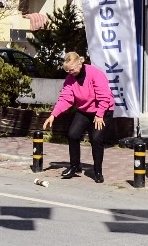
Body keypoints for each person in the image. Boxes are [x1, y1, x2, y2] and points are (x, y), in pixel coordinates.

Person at [43, 52, 115, 183]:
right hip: (84, 110)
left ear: (79, 63)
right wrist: (53, 115)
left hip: (103, 110)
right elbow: (65, 98)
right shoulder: (70, 79)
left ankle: (97, 171)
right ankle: (75, 166)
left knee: (96, 138)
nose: (70, 72)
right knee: (73, 134)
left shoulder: (95, 74)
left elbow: (104, 97)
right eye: (68, 70)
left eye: (72, 69)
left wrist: (100, 115)